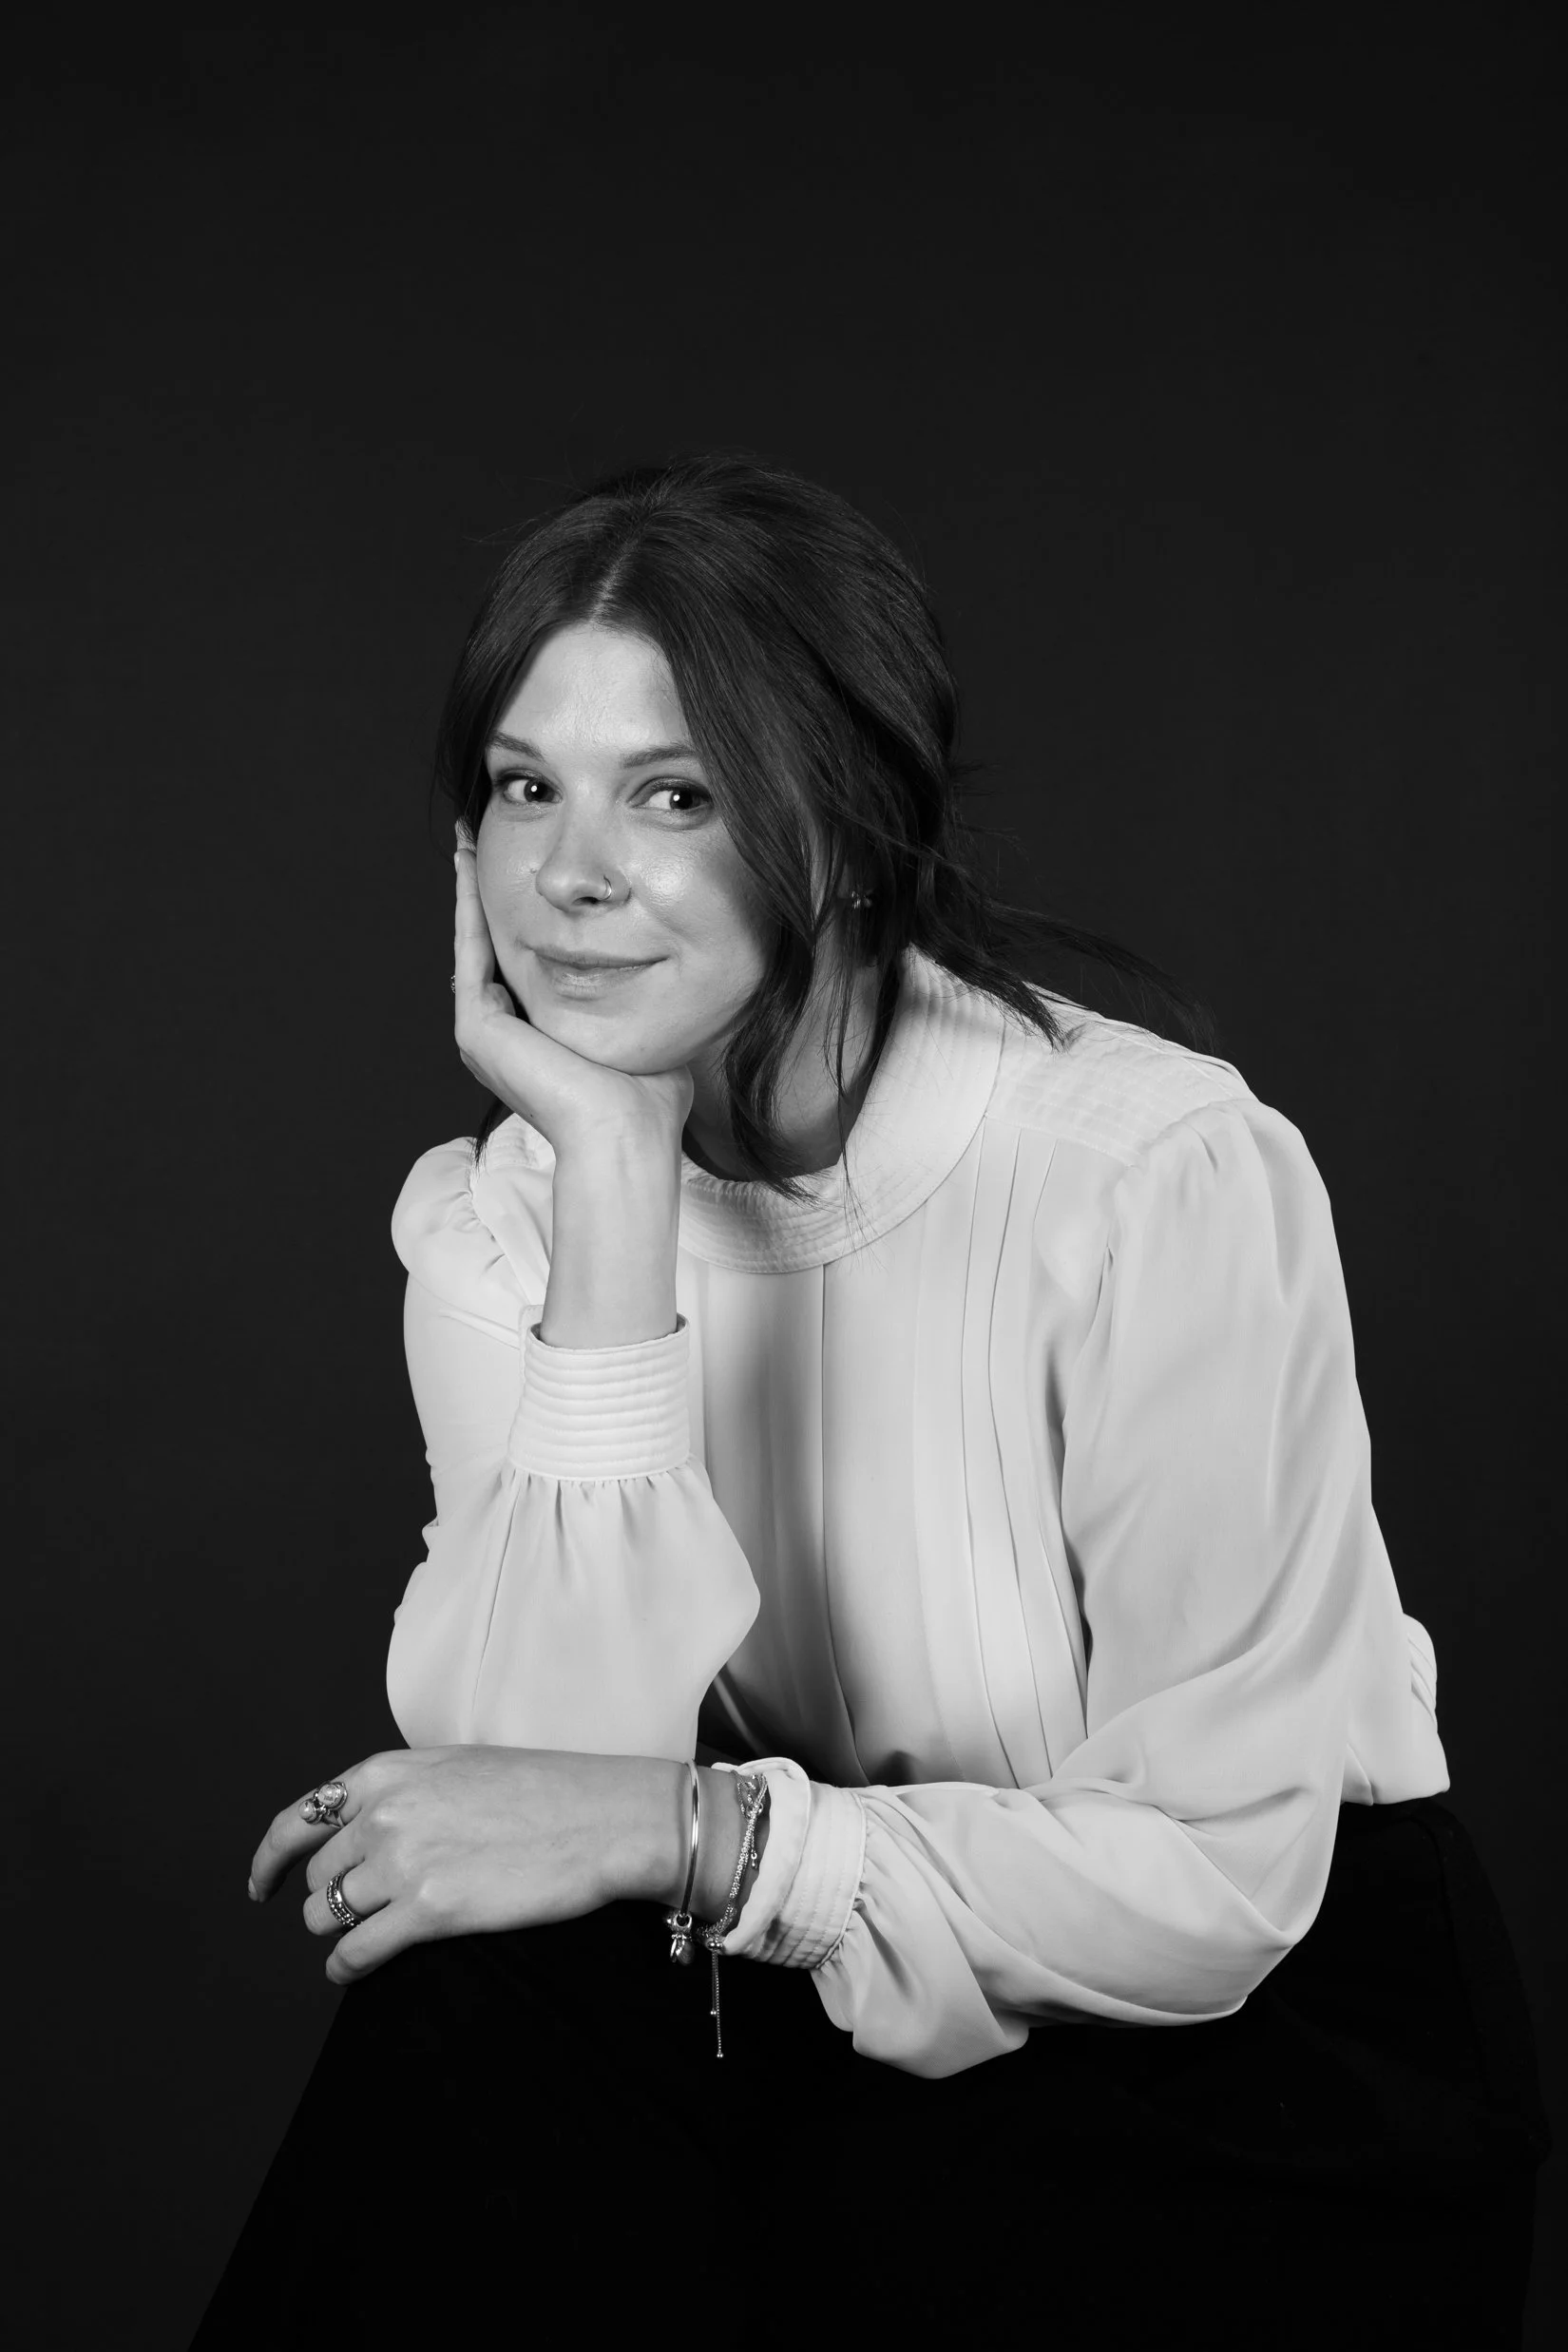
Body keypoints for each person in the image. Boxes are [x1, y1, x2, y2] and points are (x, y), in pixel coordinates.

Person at [193, 453, 1548, 2347]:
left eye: (673, 794)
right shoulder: (511, 1217)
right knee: (473, 2013)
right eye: (523, 786)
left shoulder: (1143, 1172)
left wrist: (696, 1838)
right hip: (820, 2002)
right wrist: (614, 1181)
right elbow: (535, 1832)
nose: (570, 875)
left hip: (1252, 2060)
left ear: (837, 829)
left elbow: (1214, 1882)